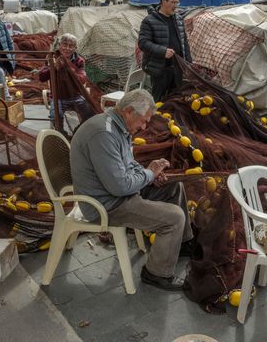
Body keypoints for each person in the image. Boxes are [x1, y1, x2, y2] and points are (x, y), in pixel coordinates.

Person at [70, 89, 194, 291]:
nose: (144, 127)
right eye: (143, 121)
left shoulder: (118, 128)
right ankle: (155, 274)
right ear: (128, 111)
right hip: (107, 205)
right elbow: (120, 187)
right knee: (174, 217)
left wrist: (149, 172)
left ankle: (183, 243)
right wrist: (149, 175)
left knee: (174, 186)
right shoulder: (104, 133)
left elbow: (128, 164)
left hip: (117, 193)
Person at [138, 0, 192, 101]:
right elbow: (143, 43)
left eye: (177, 2)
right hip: (160, 71)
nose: (175, 6)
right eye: (173, 2)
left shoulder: (178, 19)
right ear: (163, 1)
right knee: (159, 102)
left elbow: (184, 43)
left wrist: (188, 64)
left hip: (178, 70)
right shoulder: (149, 21)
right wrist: (163, 51)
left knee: (177, 100)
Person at [38, 33, 95, 126]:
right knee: (55, 117)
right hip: (58, 97)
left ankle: (78, 133)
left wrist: (71, 71)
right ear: (59, 45)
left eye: (71, 46)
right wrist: (54, 68)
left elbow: (83, 78)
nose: (67, 48)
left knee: (91, 113)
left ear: (75, 48)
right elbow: (41, 77)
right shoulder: (51, 58)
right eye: (64, 44)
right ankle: (60, 135)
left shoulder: (79, 60)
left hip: (76, 96)